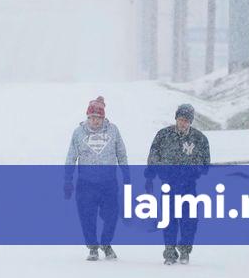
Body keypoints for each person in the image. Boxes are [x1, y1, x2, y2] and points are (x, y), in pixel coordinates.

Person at [144, 103, 211, 265]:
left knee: (190, 219)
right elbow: (153, 157)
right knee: (169, 218)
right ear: (176, 118)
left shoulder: (199, 138)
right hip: (168, 185)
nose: (183, 123)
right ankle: (169, 251)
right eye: (180, 119)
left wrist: (193, 169)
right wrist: (150, 177)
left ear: (191, 121)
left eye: (186, 120)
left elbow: (205, 165)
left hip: (189, 185)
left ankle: (185, 249)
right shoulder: (163, 135)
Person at [64, 96, 130, 261]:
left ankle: (106, 244)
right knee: (87, 216)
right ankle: (93, 247)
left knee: (111, 215)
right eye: (92, 117)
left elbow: (121, 152)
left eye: (98, 118)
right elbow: (71, 157)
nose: (95, 121)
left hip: (108, 183)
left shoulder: (113, 130)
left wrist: (126, 173)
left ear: (103, 118)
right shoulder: (79, 133)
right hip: (86, 183)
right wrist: (68, 180)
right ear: (87, 117)